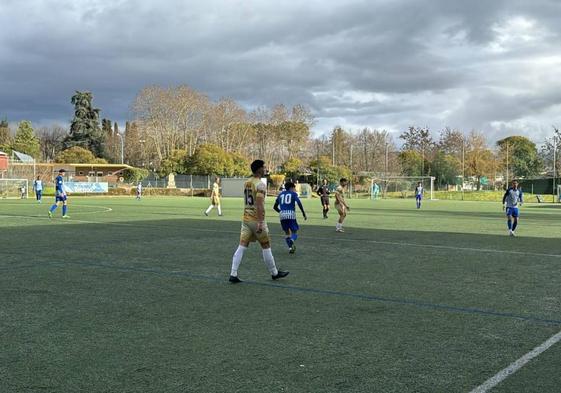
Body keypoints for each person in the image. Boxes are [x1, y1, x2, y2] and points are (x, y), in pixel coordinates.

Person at [229, 160, 289, 283]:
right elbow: (260, 204)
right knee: (266, 246)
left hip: (246, 219)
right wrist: (261, 222)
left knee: (242, 246)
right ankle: (274, 273)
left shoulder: (247, 182)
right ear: (258, 169)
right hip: (256, 220)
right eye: (263, 167)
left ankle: (233, 273)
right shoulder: (260, 185)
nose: (265, 169)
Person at [273, 181, 307, 254]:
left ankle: (290, 248)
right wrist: (303, 213)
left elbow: (274, 207)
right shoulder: (293, 194)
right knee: (294, 232)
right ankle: (292, 240)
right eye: (294, 188)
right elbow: (299, 203)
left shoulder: (280, 194)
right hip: (291, 214)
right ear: (291, 188)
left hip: (282, 215)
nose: (294, 190)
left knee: (287, 233)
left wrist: (281, 212)